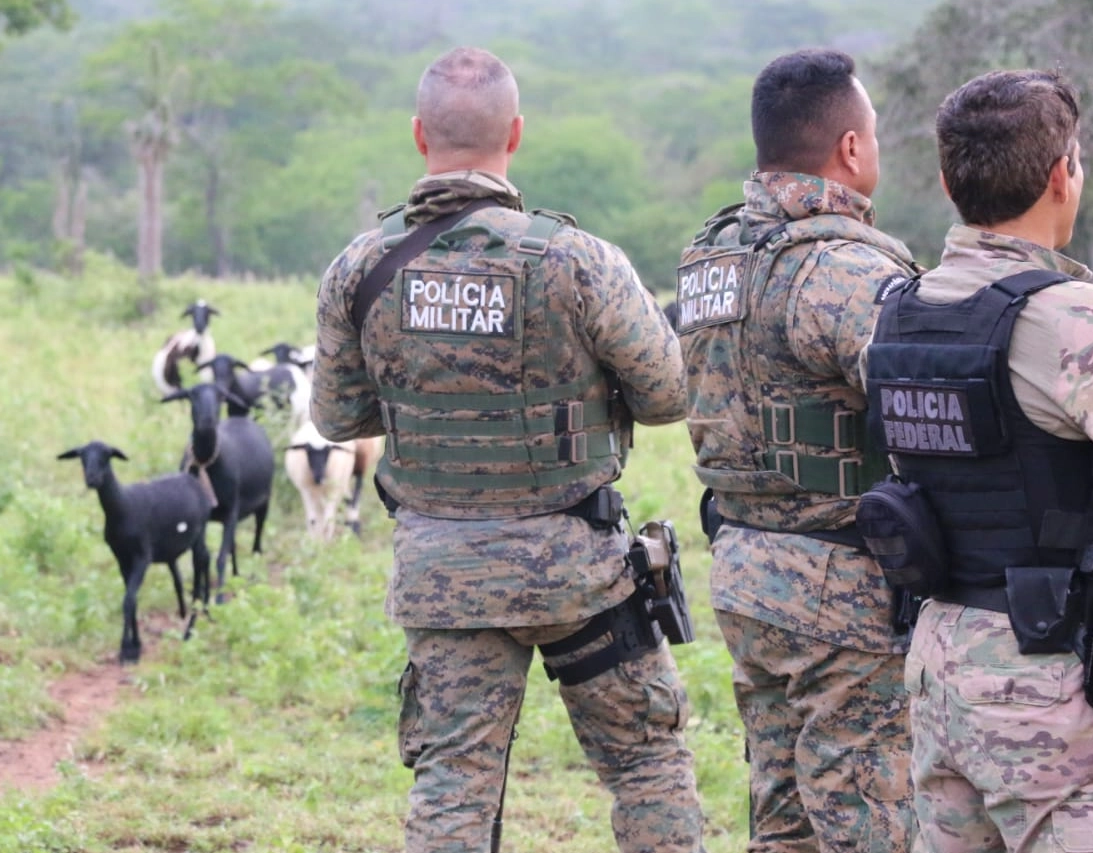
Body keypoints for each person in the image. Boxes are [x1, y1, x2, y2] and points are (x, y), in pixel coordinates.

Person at [309, 46, 704, 853]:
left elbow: (337, 420)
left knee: (452, 778)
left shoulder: (359, 268)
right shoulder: (575, 259)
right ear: (515, 134)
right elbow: (668, 394)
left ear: (419, 136)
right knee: (643, 764)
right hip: (577, 569)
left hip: (443, 575)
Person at [675, 48, 920, 852]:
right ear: (850, 149)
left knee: (781, 819)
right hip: (840, 587)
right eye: (873, 133)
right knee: (865, 818)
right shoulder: (843, 266)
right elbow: (929, 411)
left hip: (745, 569)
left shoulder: (709, 258)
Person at [863, 68, 1093, 853]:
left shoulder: (896, 315)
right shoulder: (1065, 320)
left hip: (938, 669)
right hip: (1046, 682)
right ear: (1064, 173)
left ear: (945, 178)